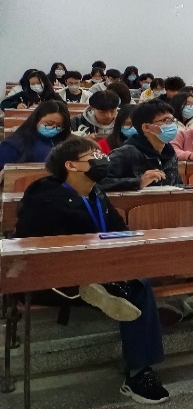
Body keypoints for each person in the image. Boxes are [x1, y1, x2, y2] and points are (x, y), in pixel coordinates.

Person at [16, 136, 171, 404]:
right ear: (71, 165)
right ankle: (138, 373)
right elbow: (35, 252)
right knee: (137, 287)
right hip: (54, 276)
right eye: (94, 157)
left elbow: (118, 230)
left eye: (102, 155)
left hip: (100, 266)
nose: (103, 161)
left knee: (138, 280)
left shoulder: (96, 193)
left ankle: (105, 288)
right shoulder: (43, 198)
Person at [99, 100, 183, 192]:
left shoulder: (170, 154)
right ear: (146, 127)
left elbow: (177, 184)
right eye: (165, 120)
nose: (172, 125)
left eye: (172, 120)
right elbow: (98, 182)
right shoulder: (126, 153)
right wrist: (138, 182)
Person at [0, 100, 71, 170]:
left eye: (59, 126)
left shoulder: (64, 143)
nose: (54, 128)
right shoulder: (12, 145)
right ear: (37, 119)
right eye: (49, 123)